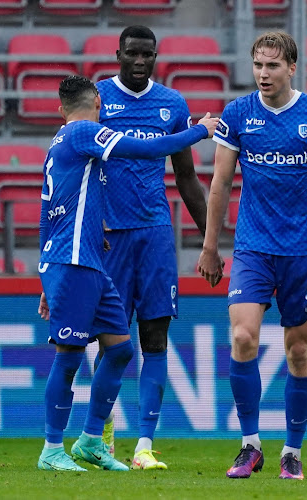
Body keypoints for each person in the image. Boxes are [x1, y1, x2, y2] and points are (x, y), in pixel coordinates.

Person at [36, 75, 217, 472]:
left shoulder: (62, 142)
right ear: (98, 102)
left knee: (119, 349)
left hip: (88, 260)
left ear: (59, 107)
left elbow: (48, 207)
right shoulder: (86, 132)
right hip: (73, 261)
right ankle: (51, 449)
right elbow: (148, 149)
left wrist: (44, 272)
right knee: (69, 355)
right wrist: (198, 131)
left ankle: (89, 441)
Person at [197, 31, 307, 480]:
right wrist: (209, 245)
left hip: (303, 251)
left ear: (292, 67)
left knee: (299, 351)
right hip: (253, 248)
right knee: (243, 339)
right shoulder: (238, 113)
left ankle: (293, 451)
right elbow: (220, 183)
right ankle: (249, 445)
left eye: (273, 66)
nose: (264, 73)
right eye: (259, 65)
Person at [94, 25, 210, 470]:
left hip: (157, 235)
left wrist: (209, 238)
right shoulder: (99, 99)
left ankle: (144, 445)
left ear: (156, 55)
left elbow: (186, 177)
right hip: (110, 236)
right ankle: (100, 436)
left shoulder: (172, 104)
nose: (140, 62)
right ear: (118, 53)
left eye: (148, 55)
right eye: (132, 54)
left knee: (155, 337)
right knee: (111, 342)